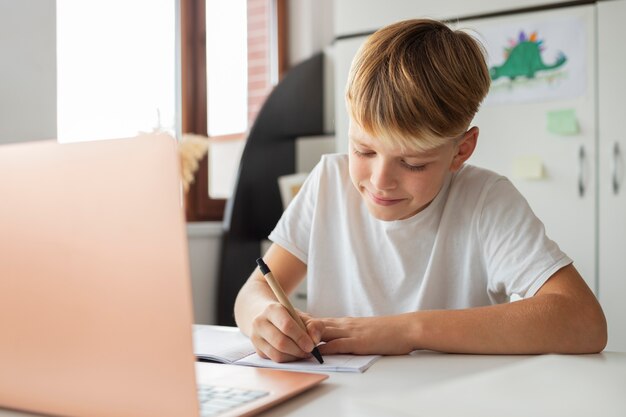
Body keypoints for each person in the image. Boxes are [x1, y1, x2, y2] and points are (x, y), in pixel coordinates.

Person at [234, 18, 607, 362]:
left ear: (461, 150)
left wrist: (408, 330)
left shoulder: (486, 200)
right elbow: (253, 291)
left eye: (413, 163)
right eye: (363, 150)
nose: (380, 181)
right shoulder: (330, 180)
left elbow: (584, 321)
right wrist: (262, 318)